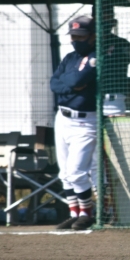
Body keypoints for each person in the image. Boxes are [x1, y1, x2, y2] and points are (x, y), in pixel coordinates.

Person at [50, 15, 98, 231]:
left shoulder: (96, 56)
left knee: (76, 171)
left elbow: (77, 80)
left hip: (85, 121)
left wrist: (69, 83)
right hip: (62, 117)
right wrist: (71, 85)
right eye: (73, 36)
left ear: (92, 36)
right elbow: (54, 83)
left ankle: (86, 214)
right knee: (64, 173)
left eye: (81, 36)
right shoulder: (70, 58)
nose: (76, 40)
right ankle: (74, 213)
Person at [94, 5, 130, 116]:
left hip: (113, 99)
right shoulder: (87, 42)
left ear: (113, 21)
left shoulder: (122, 43)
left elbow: (118, 65)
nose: (104, 22)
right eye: (101, 18)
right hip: (91, 97)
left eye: (107, 18)